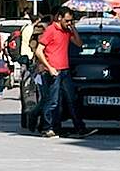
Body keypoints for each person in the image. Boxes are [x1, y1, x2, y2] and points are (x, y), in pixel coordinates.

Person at [36, 7, 92, 139]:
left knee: (71, 100)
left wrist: (74, 29)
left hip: (65, 70)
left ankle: (79, 128)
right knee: (53, 101)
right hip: (53, 71)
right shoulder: (51, 30)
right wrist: (49, 68)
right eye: (67, 21)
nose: (69, 23)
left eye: (71, 21)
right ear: (59, 18)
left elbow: (79, 43)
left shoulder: (67, 31)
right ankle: (47, 128)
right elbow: (39, 51)